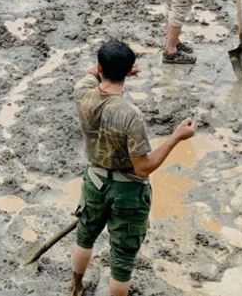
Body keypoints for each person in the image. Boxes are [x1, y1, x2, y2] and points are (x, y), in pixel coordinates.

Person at [70, 40, 196, 296]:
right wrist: (176, 137)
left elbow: (92, 73)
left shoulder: (82, 91)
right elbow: (143, 168)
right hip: (127, 191)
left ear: (99, 68)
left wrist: (114, 68)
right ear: (128, 71)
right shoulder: (130, 114)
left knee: (84, 237)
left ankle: (76, 286)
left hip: (94, 180)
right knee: (122, 260)